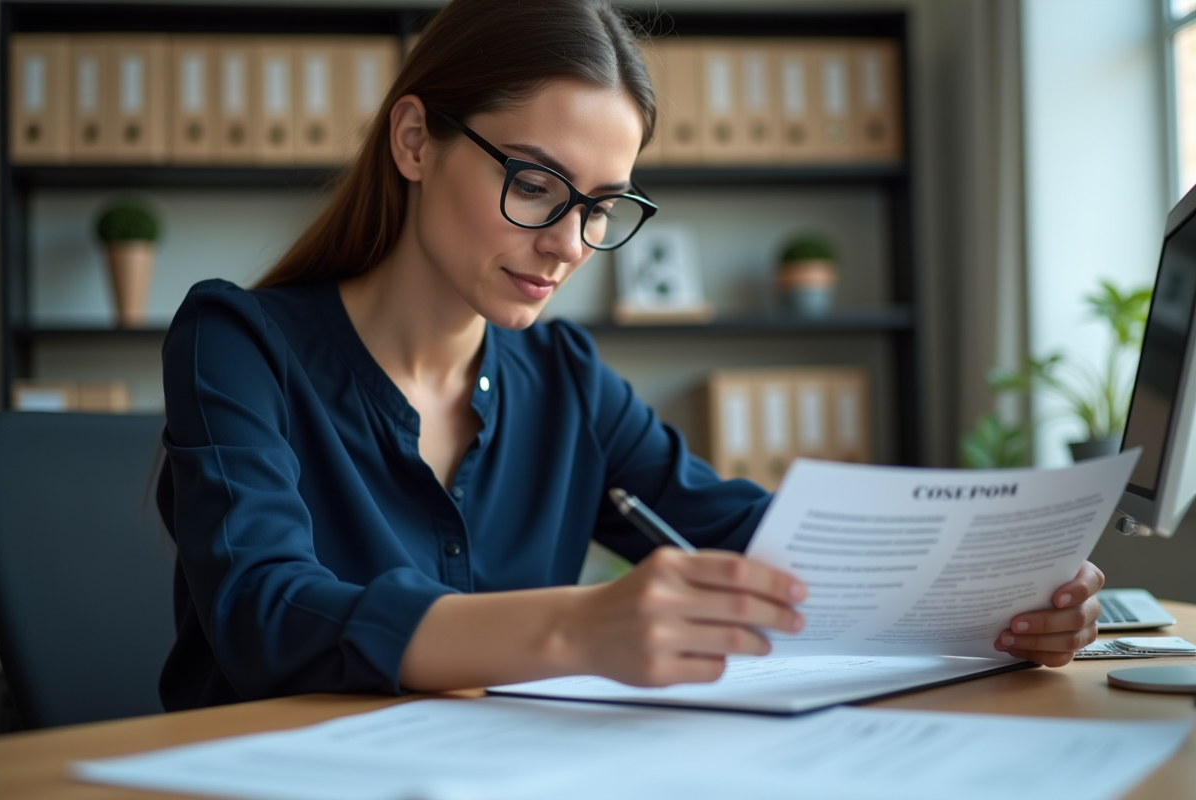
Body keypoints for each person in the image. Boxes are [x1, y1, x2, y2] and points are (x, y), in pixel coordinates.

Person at [157, 0, 1105, 711]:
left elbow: (765, 549)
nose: (571, 244)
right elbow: (265, 614)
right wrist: (577, 626)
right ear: (415, 140)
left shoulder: (565, 380)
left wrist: (998, 597)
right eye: (537, 184)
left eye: (601, 204)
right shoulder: (239, 344)